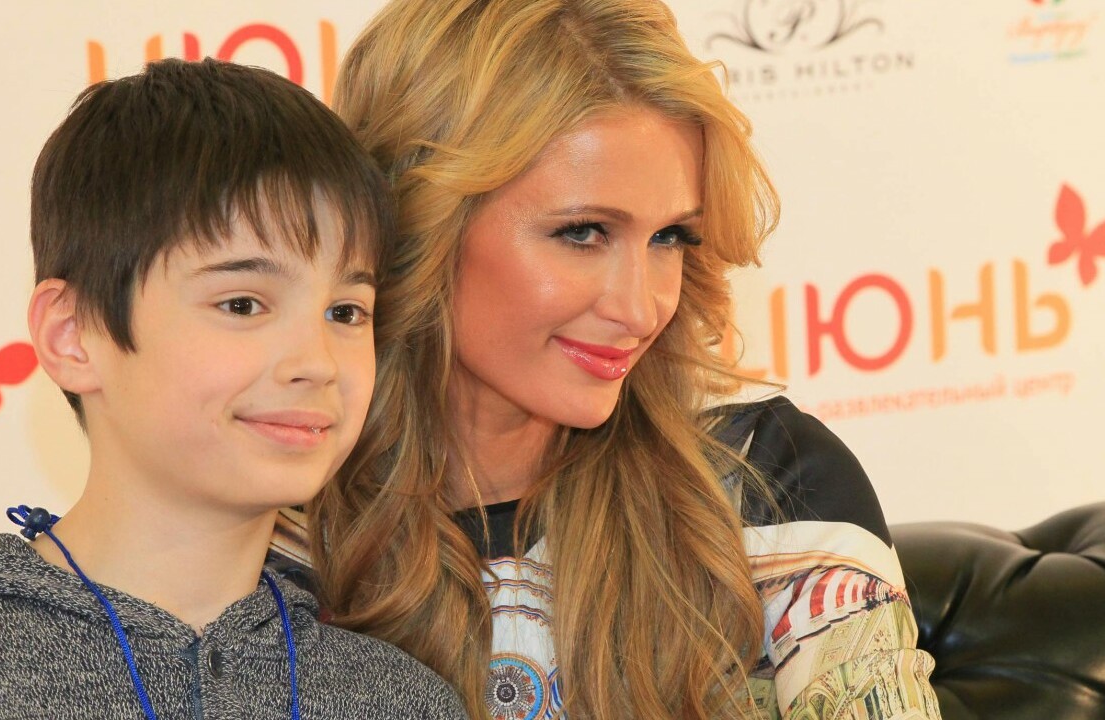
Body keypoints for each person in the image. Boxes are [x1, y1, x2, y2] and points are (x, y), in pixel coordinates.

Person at [294, 1, 943, 718]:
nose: (641, 309)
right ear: (418, 217)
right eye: (583, 233)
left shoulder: (768, 486)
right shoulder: (275, 527)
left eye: (669, 237)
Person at [0, 58, 465, 719]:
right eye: (243, 304)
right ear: (73, 336)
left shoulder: (400, 701)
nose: (317, 363)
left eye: (346, 312)